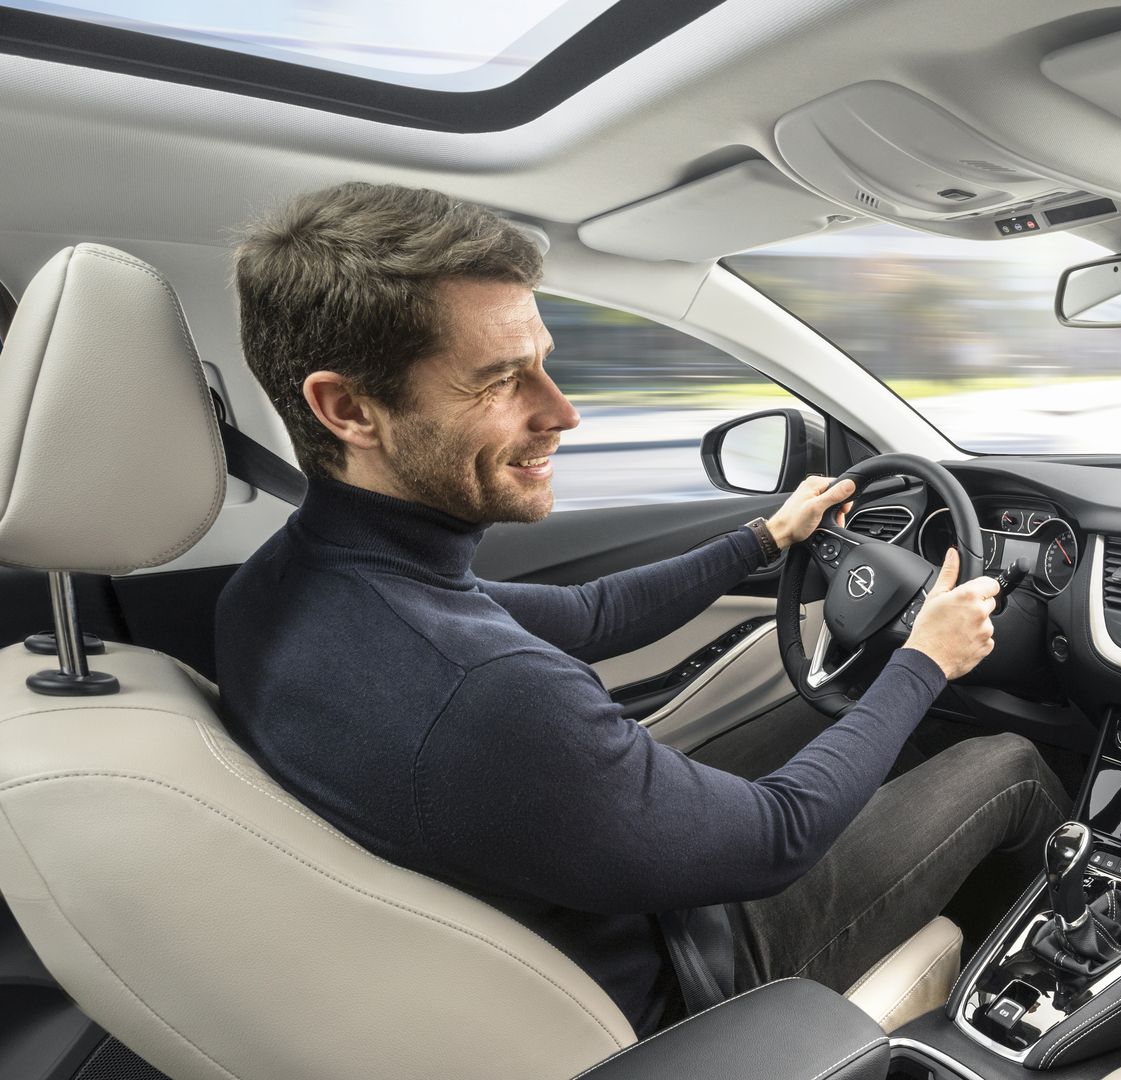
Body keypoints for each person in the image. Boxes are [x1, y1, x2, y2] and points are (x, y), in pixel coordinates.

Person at [214, 182, 1069, 1036]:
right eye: (501, 382)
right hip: (694, 981)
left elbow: (587, 616)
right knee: (1007, 760)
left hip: (553, 916)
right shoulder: (484, 692)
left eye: (544, 362)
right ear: (349, 409)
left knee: (869, 722)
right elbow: (777, 837)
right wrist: (927, 658)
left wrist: (765, 540)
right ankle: (1040, 1010)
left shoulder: (288, 588)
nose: (562, 412)